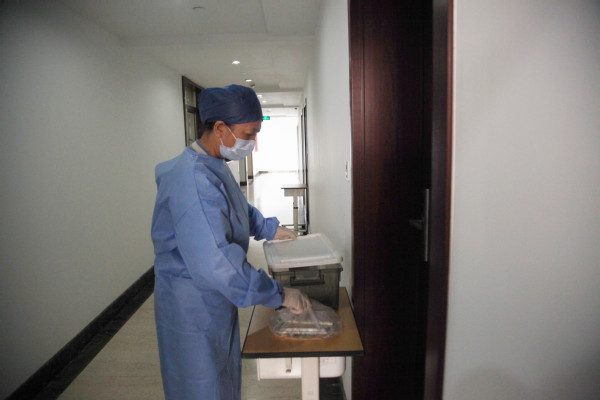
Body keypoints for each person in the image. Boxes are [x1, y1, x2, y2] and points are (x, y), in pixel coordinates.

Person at [150, 84, 311, 400]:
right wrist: (278, 295)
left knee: (221, 376)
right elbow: (219, 264)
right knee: (203, 385)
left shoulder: (213, 165)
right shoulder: (194, 181)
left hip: (211, 298)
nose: (253, 142)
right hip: (192, 306)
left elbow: (235, 207)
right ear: (220, 128)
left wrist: (266, 227)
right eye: (249, 134)